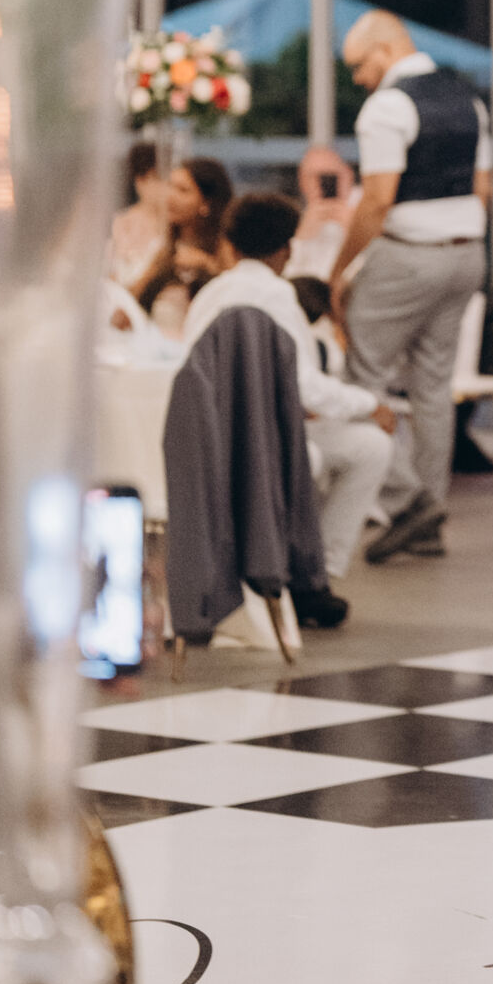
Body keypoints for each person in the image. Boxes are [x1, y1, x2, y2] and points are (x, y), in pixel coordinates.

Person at [180, 190, 399, 623]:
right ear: (288, 250)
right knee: (371, 447)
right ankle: (315, 575)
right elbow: (305, 385)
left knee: (336, 446)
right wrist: (370, 404)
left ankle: (303, 572)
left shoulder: (210, 295)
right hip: (262, 440)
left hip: (206, 434)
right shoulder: (277, 295)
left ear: (229, 245)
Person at [330, 12, 492, 563]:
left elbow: (377, 200)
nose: (358, 78)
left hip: (409, 256)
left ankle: (407, 502)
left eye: (359, 65)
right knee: (433, 390)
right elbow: (483, 187)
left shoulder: (387, 106)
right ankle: (430, 517)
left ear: (384, 49)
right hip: (466, 255)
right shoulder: (468, 101)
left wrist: (339, 269)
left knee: (360, 376)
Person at [130, 157, 233, 338]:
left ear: (206, 203)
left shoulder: (225, 246)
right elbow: (134, 298)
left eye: (183, 190)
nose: (170, 196)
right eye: (170, 186)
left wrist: (206, 264)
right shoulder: (168, 248)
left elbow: (240, 291)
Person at [287, 146, 359, 284]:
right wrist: (300, 239)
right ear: (302, 181)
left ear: (348, 175)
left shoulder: (372, 212)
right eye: (313, 176)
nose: (323, 183)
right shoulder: (291, 220)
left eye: (330, 176)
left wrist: (358, 231)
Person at [106, 141, 170, 290]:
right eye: (157, 178)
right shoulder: (117, 222)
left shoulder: (173, 225)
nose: (165, 186)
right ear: (139, 180)